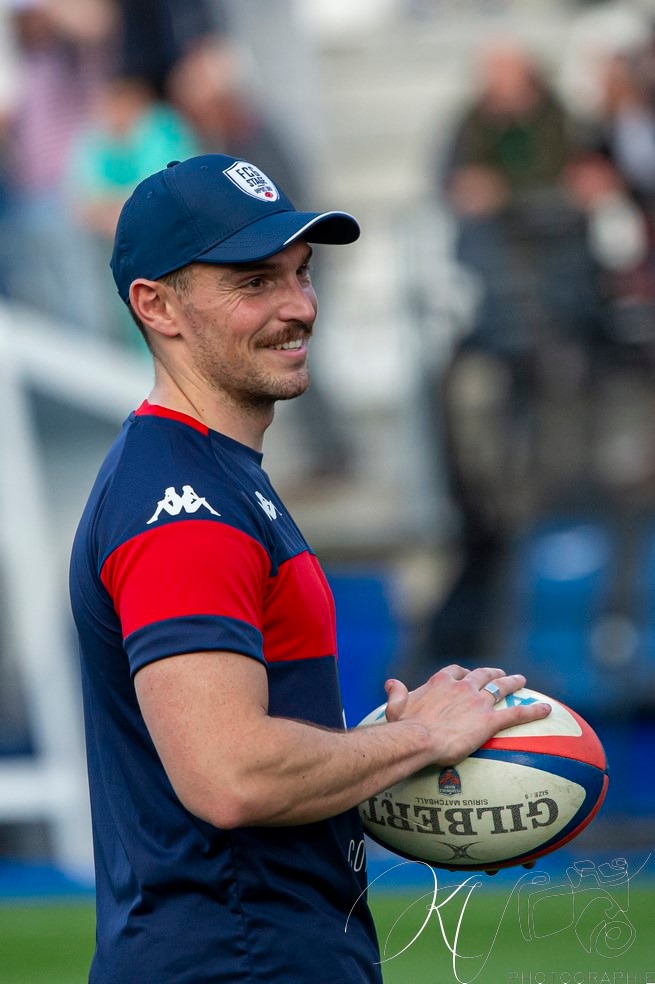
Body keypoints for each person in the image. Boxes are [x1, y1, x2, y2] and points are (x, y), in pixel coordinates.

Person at [69, 153, 551, 983]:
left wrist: (392, 745)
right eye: (254, 282)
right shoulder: (182, 504)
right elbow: (230, 774)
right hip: (238, 960)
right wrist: (423, 740)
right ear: (156, 306)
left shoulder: (215, 475)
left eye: (302, 273)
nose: (298, 307)